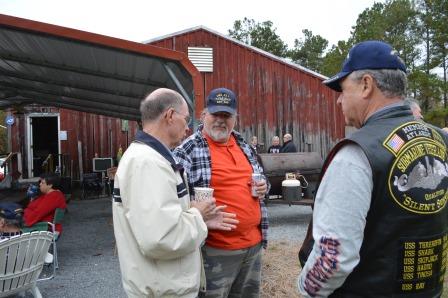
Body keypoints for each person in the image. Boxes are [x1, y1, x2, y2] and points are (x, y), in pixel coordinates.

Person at [297, 40, 448, 297]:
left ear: (366, 85)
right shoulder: (440, 140)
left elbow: (333, 260)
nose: (339, 101)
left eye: (343, 90)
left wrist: (304, 289)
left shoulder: (356, 153)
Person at [112, 88, 238, 298]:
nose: (188, 128)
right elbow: (161, 240)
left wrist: (202, 221)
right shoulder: (147, 163)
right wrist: (198, 215)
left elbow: (161, 221)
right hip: (163, 291)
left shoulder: (151, 157)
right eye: (186, 119)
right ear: (170, 116)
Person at [174, 87, 269, 298]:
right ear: (203, 115)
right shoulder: (187, 150)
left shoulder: (244, 145)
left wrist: (264, 186)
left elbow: (262, 179)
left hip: (253, 247)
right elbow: (170, 198)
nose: (220, 120)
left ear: (235, 118)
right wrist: (194, 209)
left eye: (226, 115)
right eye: (215, 114)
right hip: (215, 251)